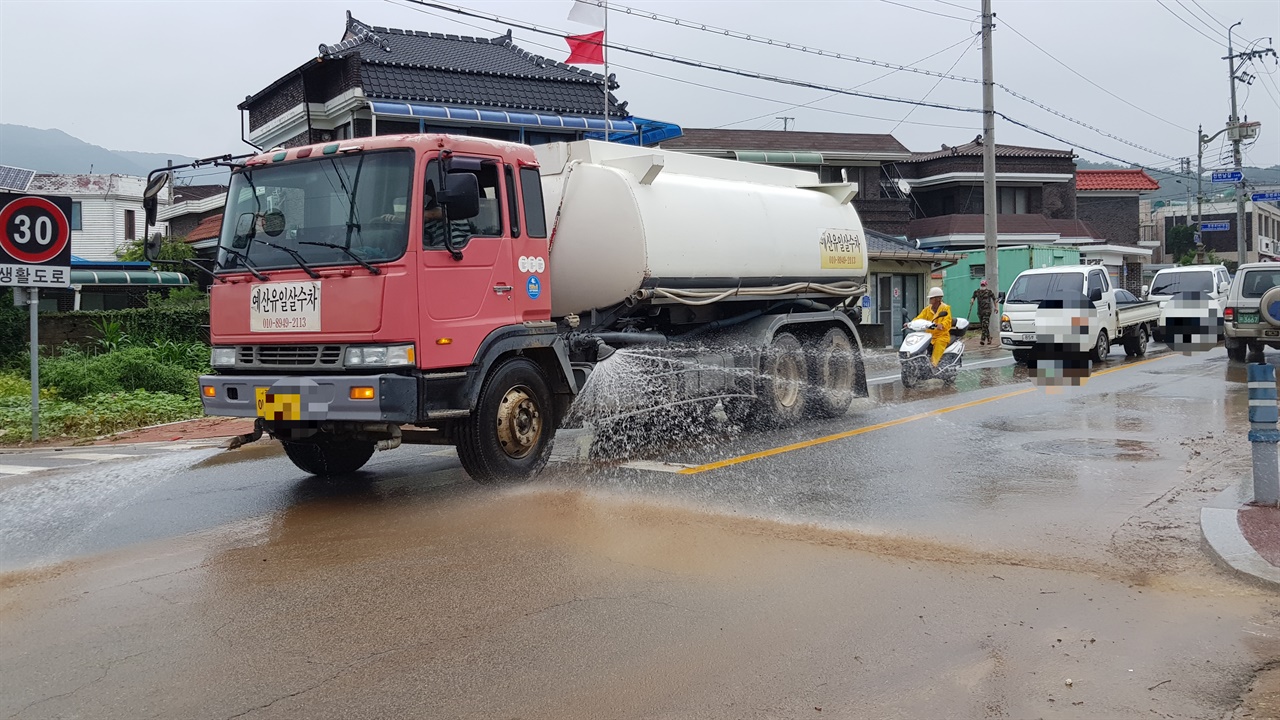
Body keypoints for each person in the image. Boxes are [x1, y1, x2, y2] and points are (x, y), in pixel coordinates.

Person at [906, 286, 953, 366]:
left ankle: (933, 365)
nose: (930, 300)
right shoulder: (927, 309)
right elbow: (919, 318)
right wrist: (910, 324)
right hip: (929, 335)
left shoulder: (945, 308)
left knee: (939, 345)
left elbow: (948, 320)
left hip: (941, 336)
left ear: (938, 299)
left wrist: (941, 325)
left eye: (931, 298)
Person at [969, 279, 997, 346]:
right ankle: (989, 338)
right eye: (982, 285)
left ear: (986, 285)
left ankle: (982, 340)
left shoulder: (989, 292)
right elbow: (973, 297)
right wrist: (972, 300)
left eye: (984, 285)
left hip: (987, 311)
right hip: (980, 311)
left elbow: (994, 299)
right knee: (984, 326)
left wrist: (996, 307)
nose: (982, 286)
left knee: (985, 325)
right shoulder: (977, 291)